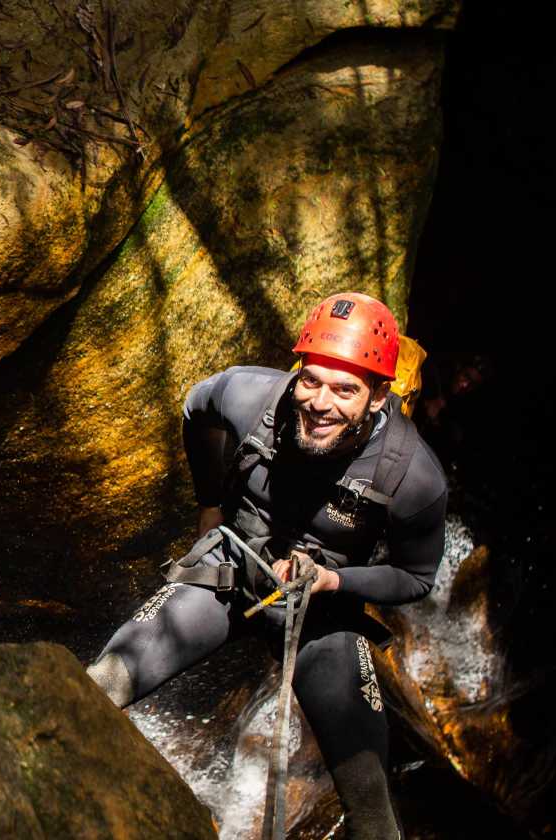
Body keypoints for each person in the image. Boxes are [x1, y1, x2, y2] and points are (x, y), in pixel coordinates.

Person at [85, 292, 448, 840]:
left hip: (324, 614)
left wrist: (332, 579)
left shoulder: (414, 476)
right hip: (232, 569)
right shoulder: (250, 393)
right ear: (297, 369)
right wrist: (210, 503)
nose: (320, 403)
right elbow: (196, 408)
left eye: (345, 389)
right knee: (100, 684)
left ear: (378, 396)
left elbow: (417, 578)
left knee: (375, 820)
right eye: (312, 380)